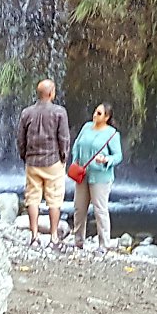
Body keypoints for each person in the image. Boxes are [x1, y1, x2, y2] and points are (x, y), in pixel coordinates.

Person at [16, 79, 71, 248]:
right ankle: (54, 236)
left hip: (33, 161)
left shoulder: (27, 112)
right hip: (53, 161)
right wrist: (64, 157)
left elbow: (20, 138)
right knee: (54, 199)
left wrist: (24, 155)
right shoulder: (59, 112)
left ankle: (34, 236)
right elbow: (64, 137)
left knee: (32, 198)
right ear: (51, 93)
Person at [68, 103, 122, 251]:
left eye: (99, 113)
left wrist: (106, 160)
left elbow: (118, 156)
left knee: (100, 209)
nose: (94, 115)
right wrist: (75, 162)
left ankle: (104, 244)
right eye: (95, 112)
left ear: (107, 117)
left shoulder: (112, 134)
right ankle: (78, 241)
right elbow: (77, 144)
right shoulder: (86, 127)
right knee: (79, 208)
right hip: (83, 174)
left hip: (101, 177)